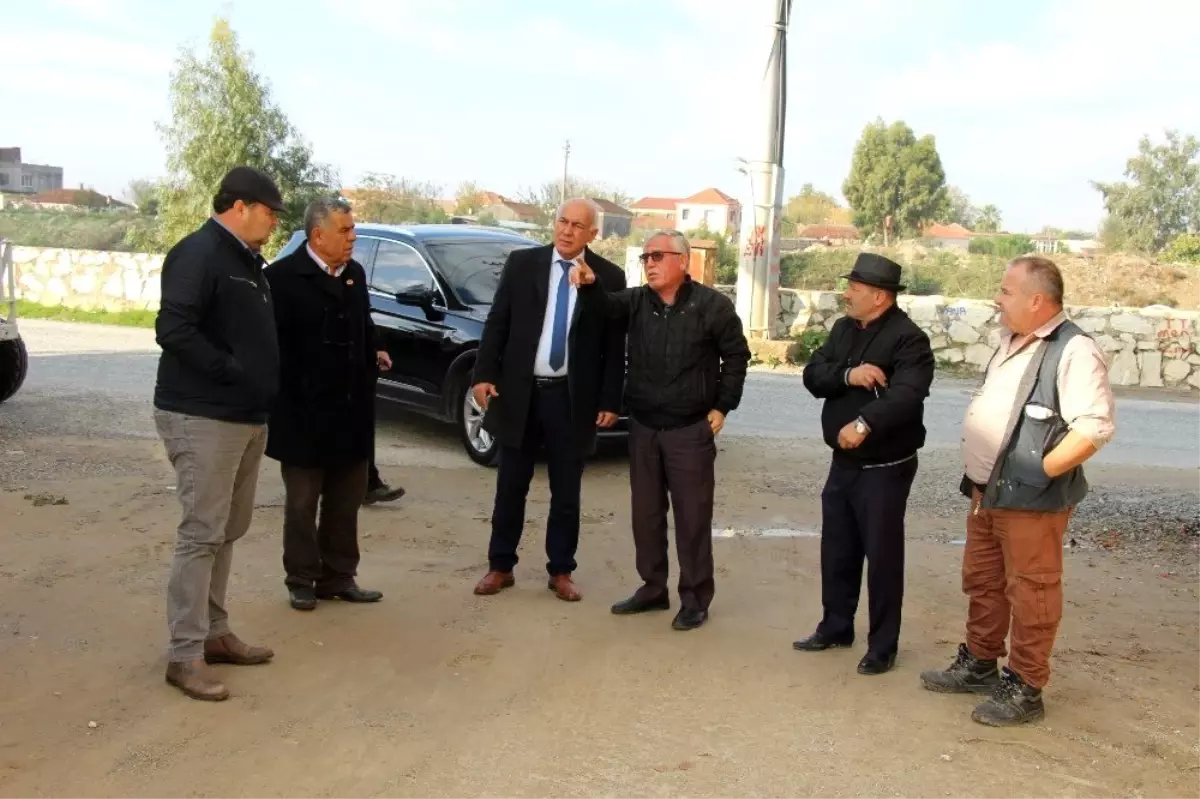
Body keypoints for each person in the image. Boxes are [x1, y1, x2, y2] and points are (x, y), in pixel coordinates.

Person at [920, 256, 1115, 726]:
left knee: (1032, 592)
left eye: (1006, 291)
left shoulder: (1073, 350)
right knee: (984, 582)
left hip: (1029, 500)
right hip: (988, 493)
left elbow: (1094, 428)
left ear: (1037, 300)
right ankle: (981, 664)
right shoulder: (1012, 340)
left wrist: (1039, 471)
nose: (997, 299)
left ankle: (1027, 687)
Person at [571, 230, 751, 631]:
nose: (649, 263)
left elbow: (737, 356)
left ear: (683, 261)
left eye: (658, 256)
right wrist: (588, 285)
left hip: (690, 429)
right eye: (645, 257)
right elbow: (602, 310)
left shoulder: (712, 306)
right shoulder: (637, 302)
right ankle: (653, 588)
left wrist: (722, 406)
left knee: (692, 518)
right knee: (646, 515)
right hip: (645, 428)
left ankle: (695, 598)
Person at [153, 166, 284, 701]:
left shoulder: (248, 263)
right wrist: (232, 372)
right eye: (270, 212)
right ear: (241, 207)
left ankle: (215, 633)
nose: (274, 222)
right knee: (201, 533)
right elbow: (173, 328)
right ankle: (184, 656)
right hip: (203, 416)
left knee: (227, 529)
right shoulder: (199, 253)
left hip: (245, 418)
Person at [470, 198, 627, 602]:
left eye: (578, 225)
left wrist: (610, 399)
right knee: (510, 486)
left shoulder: (608, 276)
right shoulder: (523, 264)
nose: (567, 230)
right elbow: (497, 322)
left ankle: (561, 571)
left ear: (593, 233)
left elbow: (613, 345)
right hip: (520, 393)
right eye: (562, 221)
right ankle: (500, 566)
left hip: (570, 399)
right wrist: (483, 374)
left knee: (566, 492)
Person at [791, 253, 934, 675]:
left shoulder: (910, 340)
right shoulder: (843, 329)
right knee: (837, 550)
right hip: (843, 462)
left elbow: (907, 395)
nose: (846, 293)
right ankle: (836, 626)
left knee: (883, 557)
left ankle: (882, 645)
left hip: (885, 467)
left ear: (879, 295)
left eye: (854, 287)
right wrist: (849, 375)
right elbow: (814, 374)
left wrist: (865, 421)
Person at [263, 198, 386, 611]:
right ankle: (301, 577)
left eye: (353, 229)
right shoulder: (280, 279)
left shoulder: (355, 275)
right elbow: (271, 349)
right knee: (301, 504)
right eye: (345, 230)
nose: (353, 237)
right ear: (318, 235)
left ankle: (339, 576)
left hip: (350, 413)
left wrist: (374, 352)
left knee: (345, 501)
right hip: (302, 416)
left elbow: (362, 326)